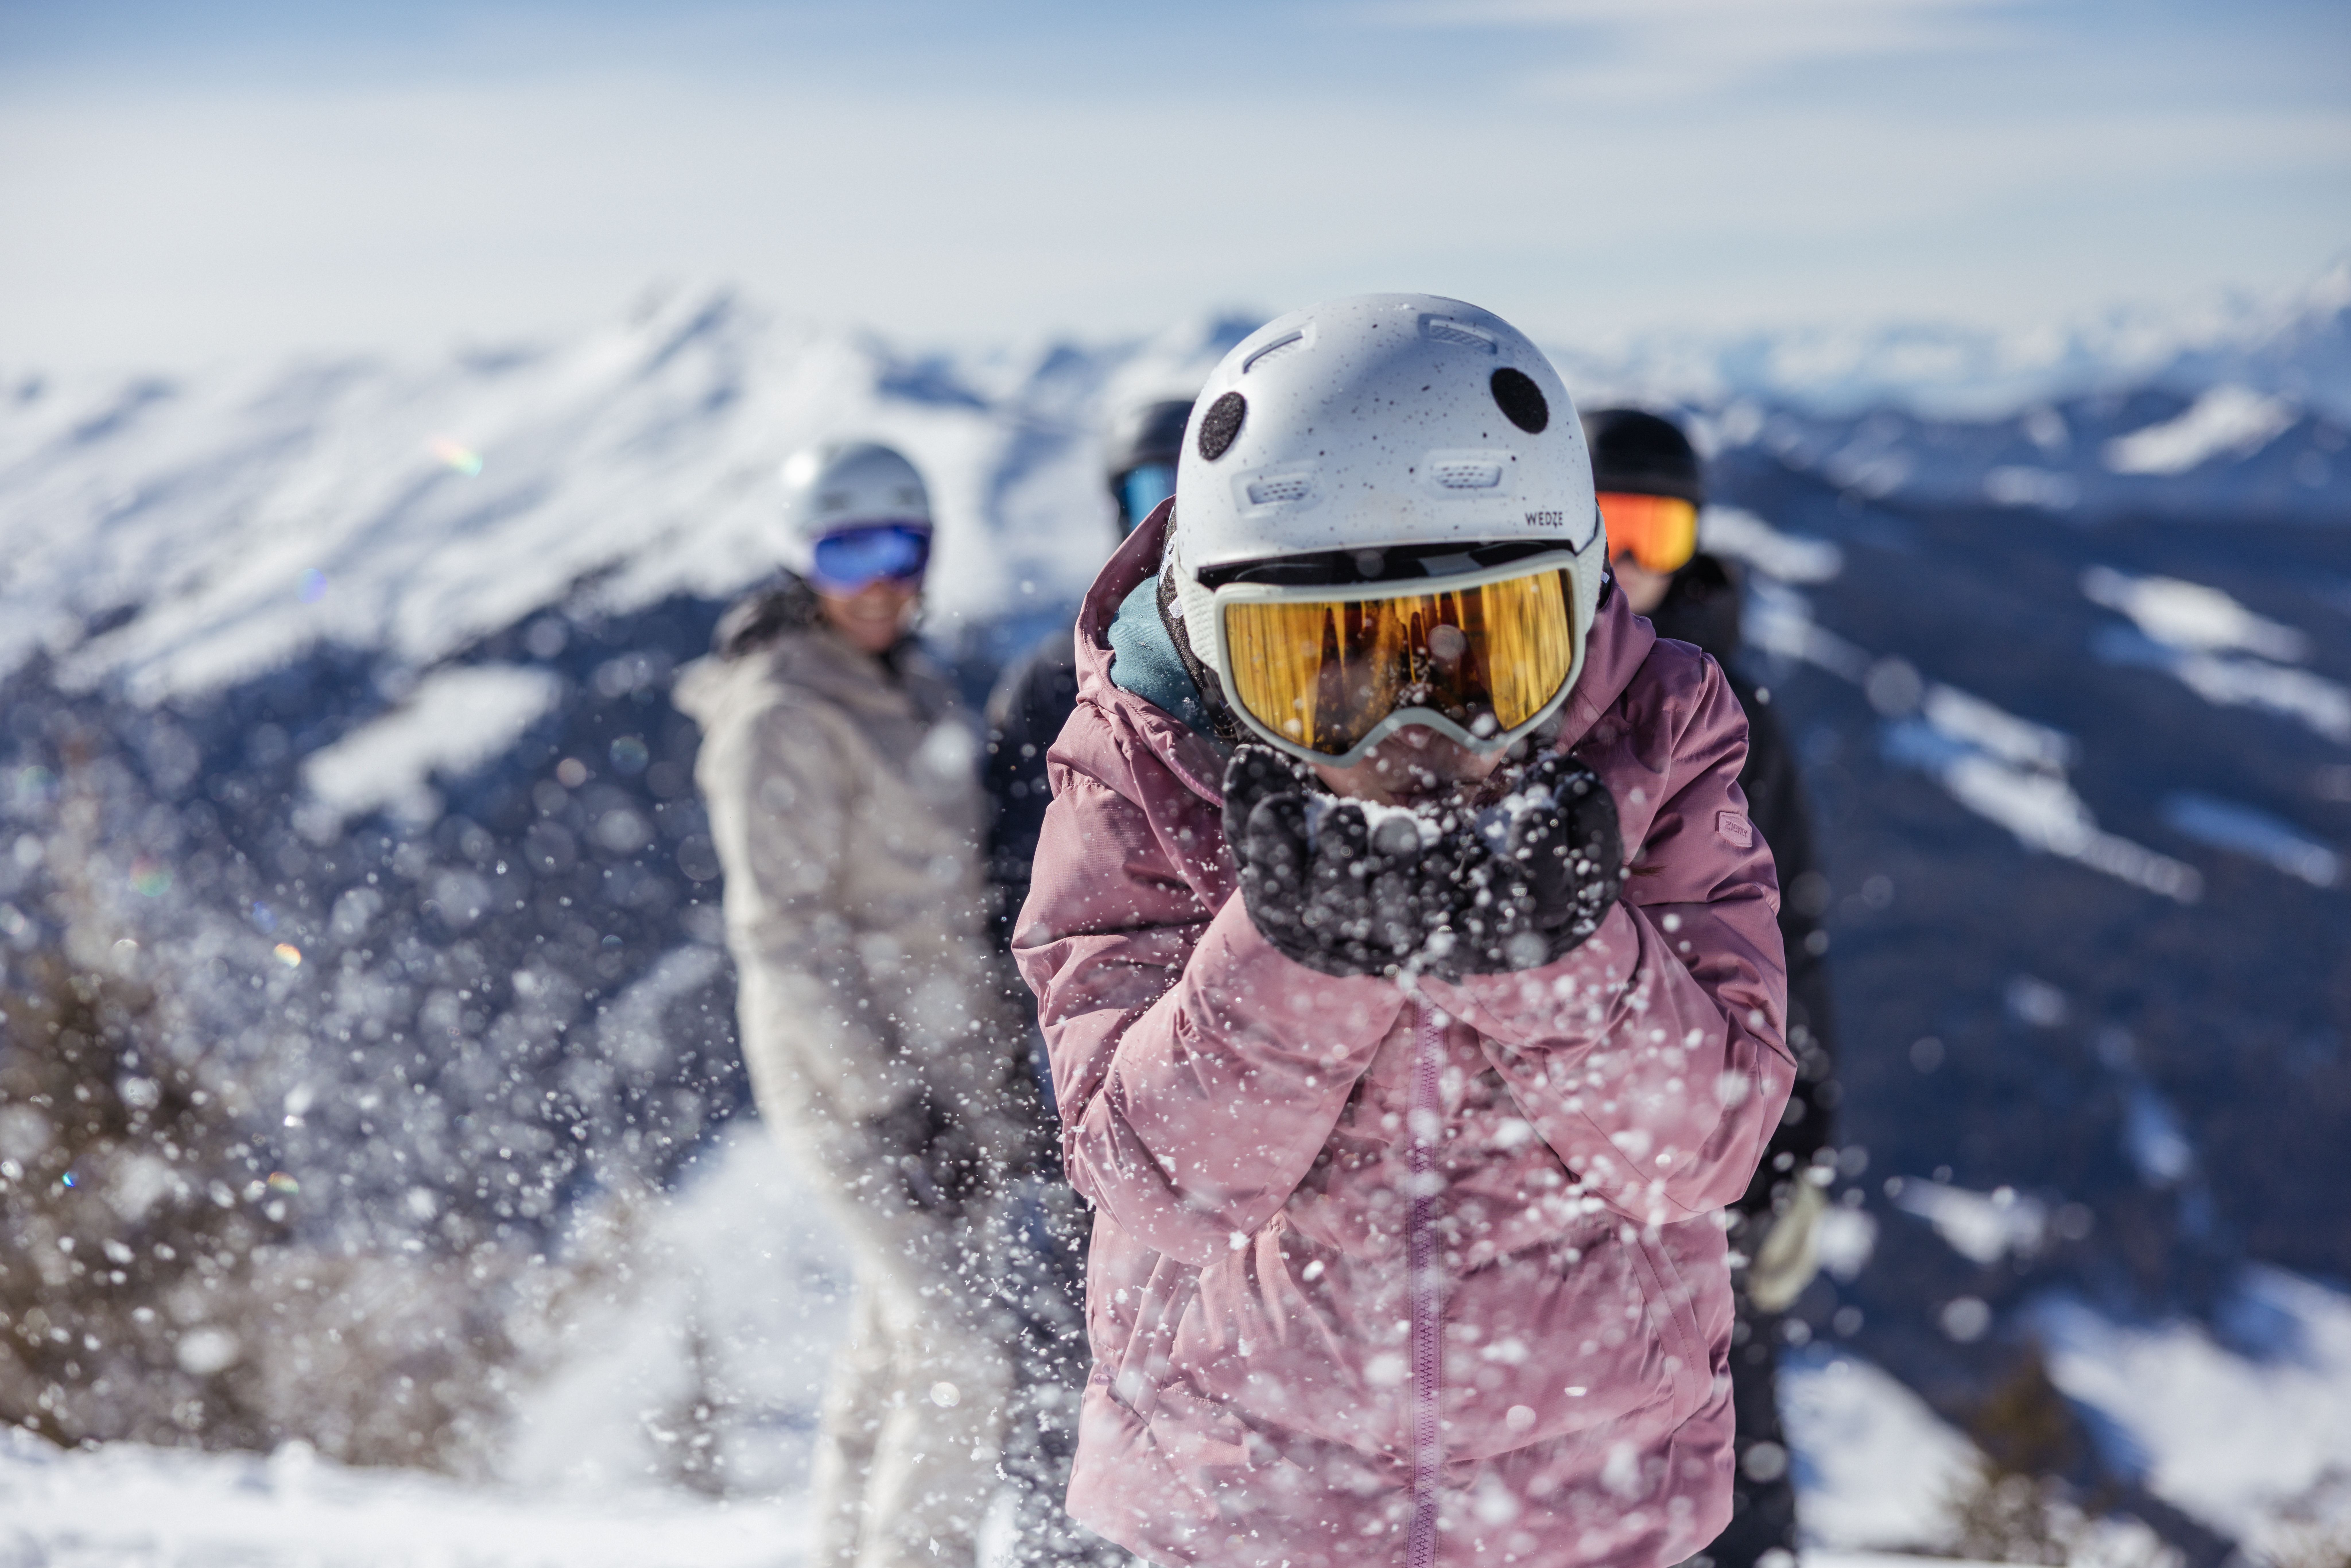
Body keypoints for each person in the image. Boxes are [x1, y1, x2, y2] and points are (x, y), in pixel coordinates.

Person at [1012, 295, 1797, 1568]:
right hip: (1242, 1506)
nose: (1408, 742)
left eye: (1476, 658)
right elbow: (1157, 1182)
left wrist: (1551, 953)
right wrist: (1292, 952)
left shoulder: (1650, 738)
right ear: (1210, 648)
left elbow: (1700, 1150)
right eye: (1316, 670)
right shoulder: (1145, 768)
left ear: (1575, 605)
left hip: (1580, 1504)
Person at [676, 440, 1034, 1568]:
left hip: (948, 1061)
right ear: (799, 564)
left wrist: (989, 1076)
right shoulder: (779, 711)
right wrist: (886, 1101)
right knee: (966, 1346)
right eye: (846, 555)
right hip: (850, 1078)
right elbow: (781, 933)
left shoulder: (910, 685)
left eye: (902, 551)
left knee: (899, 1338)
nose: (878, 582)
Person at [1583, 408, 1841, 1568]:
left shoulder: (1731, 711)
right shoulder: (1523, 692)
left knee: (1726, 1420)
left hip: (1710, 1136)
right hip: (1575, 1146)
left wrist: (1801, 1137)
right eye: (1610, 527)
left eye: (1661, 531)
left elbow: (1792, 939)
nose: (1634, 560)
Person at [979, 396, 1196, 1567]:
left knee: (1179, 1339)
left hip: (1205, 1074)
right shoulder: (1045, 691)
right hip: (1070, 1061)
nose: (1171, 521)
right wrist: (1025, 1065)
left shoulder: (1256, 666)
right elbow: (996, 903)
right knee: (1063, 1340)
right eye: (1146, 498)